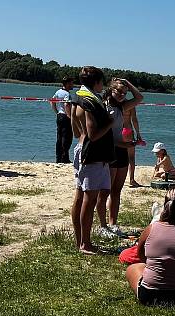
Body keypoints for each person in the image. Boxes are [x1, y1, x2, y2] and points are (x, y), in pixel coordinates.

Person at [71, 66, 115, 255]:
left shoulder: (80, 96)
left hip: (86, 151)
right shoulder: (88, 100)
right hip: (92, 154)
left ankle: (80, 240)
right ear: (96, 82)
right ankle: (85, 244)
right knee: (88, 199)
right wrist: (110, 122)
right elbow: (94, 134)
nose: (103, 85)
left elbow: (75, 125)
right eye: (101, 81)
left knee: (81, 196)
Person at [97, 78, 144, 236]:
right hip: (109, 151)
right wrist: (124, 145)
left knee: (117, 190)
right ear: (111, 89)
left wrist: (127, 82)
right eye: (119, 91)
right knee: (105, 191)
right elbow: (101, 134)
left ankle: (113, 223)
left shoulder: (122, 106)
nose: (122, 95)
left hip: (121, 150)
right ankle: (103, 226)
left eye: (124, 93)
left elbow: (139, 98)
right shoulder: (103, 105)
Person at [52, 76, 75, 163]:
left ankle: (58, 158)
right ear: (68, 84)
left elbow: (52, 101)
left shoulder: (58, 92)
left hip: (59, 115)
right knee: (67, 138)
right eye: (72, 83)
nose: (73, 85)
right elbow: (66, 105)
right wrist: (70, 117)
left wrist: (56, 111)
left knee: (59, 137)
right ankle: (64, 158)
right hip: (65, 116)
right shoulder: (67, 94)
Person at [124, 106, 144, 187]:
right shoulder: (130, 104)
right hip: (128, 130)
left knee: (116, 154)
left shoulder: (113, 103)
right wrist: (138, 133)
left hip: (117, 131)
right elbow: (134, 120)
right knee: (131, 157)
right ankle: (131, 179)